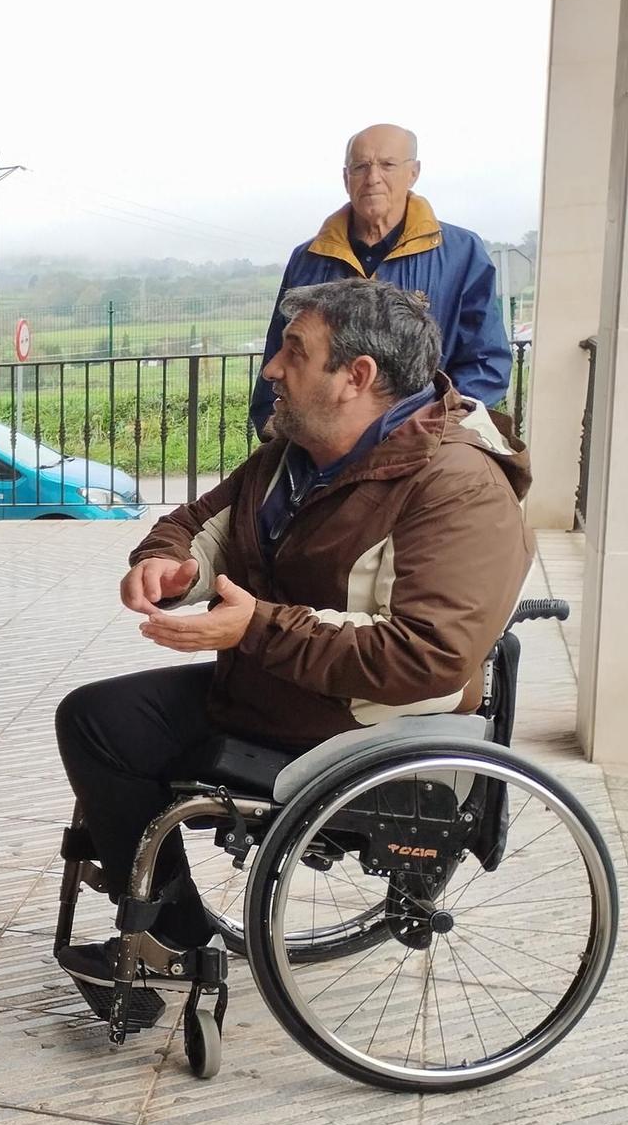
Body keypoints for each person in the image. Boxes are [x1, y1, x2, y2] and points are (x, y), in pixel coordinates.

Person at [57, 279, 533, 996]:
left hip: (360, 727)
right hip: (274, 693)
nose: (271, 369)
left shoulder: (456, 484)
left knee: (116, 730)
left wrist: (256, 626)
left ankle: (168, 942)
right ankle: (174, 940)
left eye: (294, 352)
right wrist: (166, 565)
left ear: (357, 377)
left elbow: (429, 655)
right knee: (95, 720)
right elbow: (196, 519)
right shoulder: (295, 455)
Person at [249, 123, 511, 435]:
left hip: (421, 447)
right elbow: (280, 350)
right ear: (346, 178)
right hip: (323, 446)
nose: (373, 178)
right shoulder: (309, 257)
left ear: (413, 173)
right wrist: (272, 427)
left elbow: (487, 361)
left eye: (387, 165)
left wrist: (433, 427)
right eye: (360, 167)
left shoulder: (461, 253)